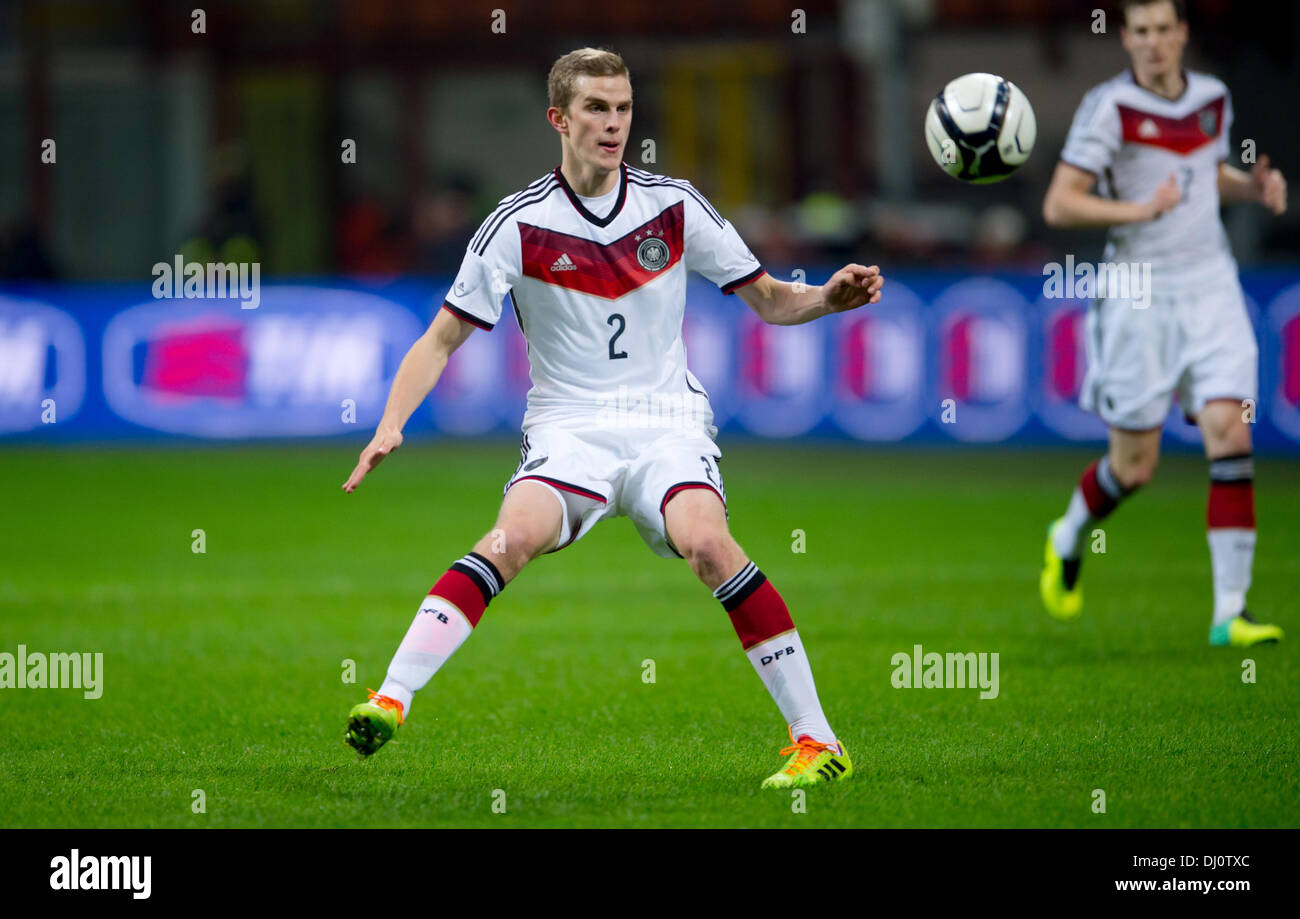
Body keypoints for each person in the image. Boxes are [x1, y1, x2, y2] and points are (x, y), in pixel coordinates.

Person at [341, 48, 883, 787]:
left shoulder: (675, 205)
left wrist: (826, 296)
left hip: (666, 421)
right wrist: (389, 423)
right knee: (509, 538)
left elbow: (768, 298)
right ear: (558, 119)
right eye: (596, 108)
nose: (614, 123)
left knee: (710, 547)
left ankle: (820, 743)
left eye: (624, 108)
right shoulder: (519, 224)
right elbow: (440, 337)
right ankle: (389, 698)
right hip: (570, 425)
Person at [1039, 0, 1286, 647]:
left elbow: (1205, 176)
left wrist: (1252, 186)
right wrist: (1140, 208)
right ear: (1124, 37)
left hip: (1211, 280)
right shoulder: (1108, 108)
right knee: (1137, 465)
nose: (1152, 43)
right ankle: (1066, 535)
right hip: (1138, 289)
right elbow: (1060, 203)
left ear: (1182, 34)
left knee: (1230, 429)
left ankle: (1230, 612)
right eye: (1139, 32)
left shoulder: (1212, 97)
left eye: (1162, 31)